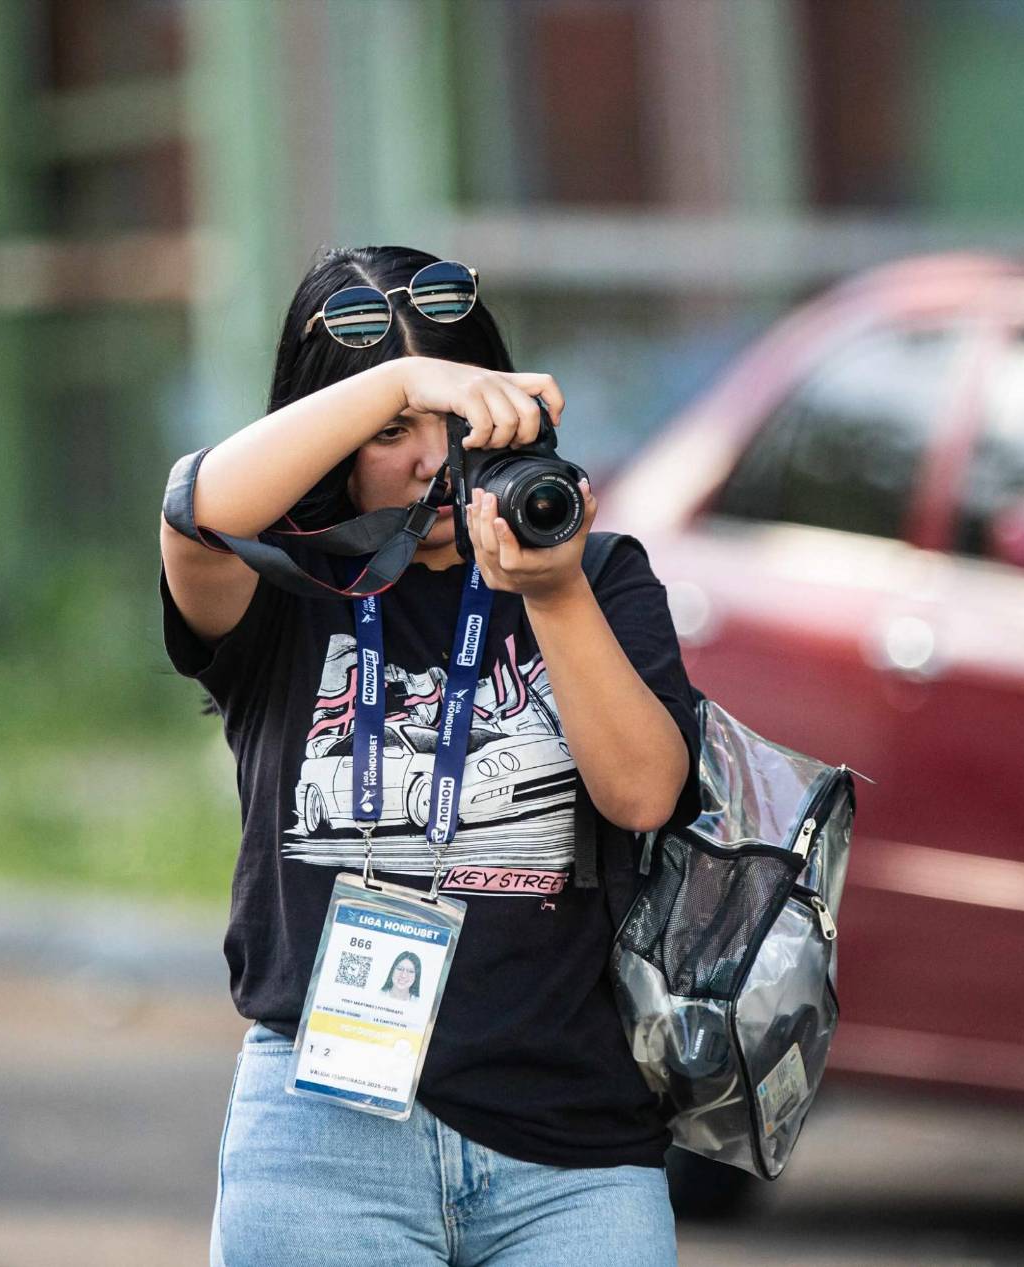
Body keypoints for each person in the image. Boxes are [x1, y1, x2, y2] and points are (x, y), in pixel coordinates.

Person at [159, 245, 704, 1266]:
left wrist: (551, 591)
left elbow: (642, 795)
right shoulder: (283, 581)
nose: (431, 460)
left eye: (458, 424)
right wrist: (405, 377)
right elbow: (194, 511)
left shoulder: (597, 576)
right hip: (324, 1140)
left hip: (568, 1149)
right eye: (390, 433)